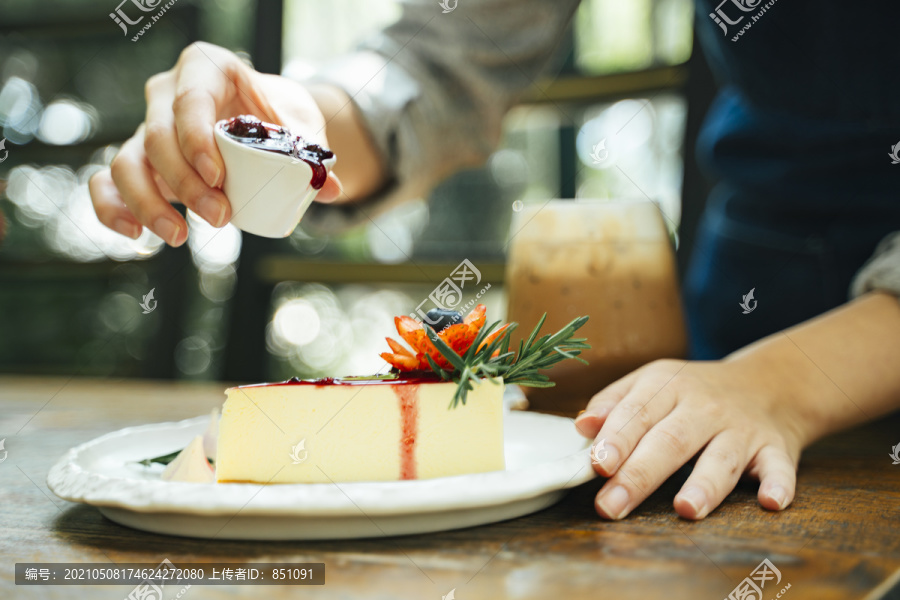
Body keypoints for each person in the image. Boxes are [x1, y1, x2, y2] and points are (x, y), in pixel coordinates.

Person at [88, 0, 900, 521]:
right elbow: (447, 55)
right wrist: (290, 125)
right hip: (742, 326)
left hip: (769, 378)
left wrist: (781, 384)